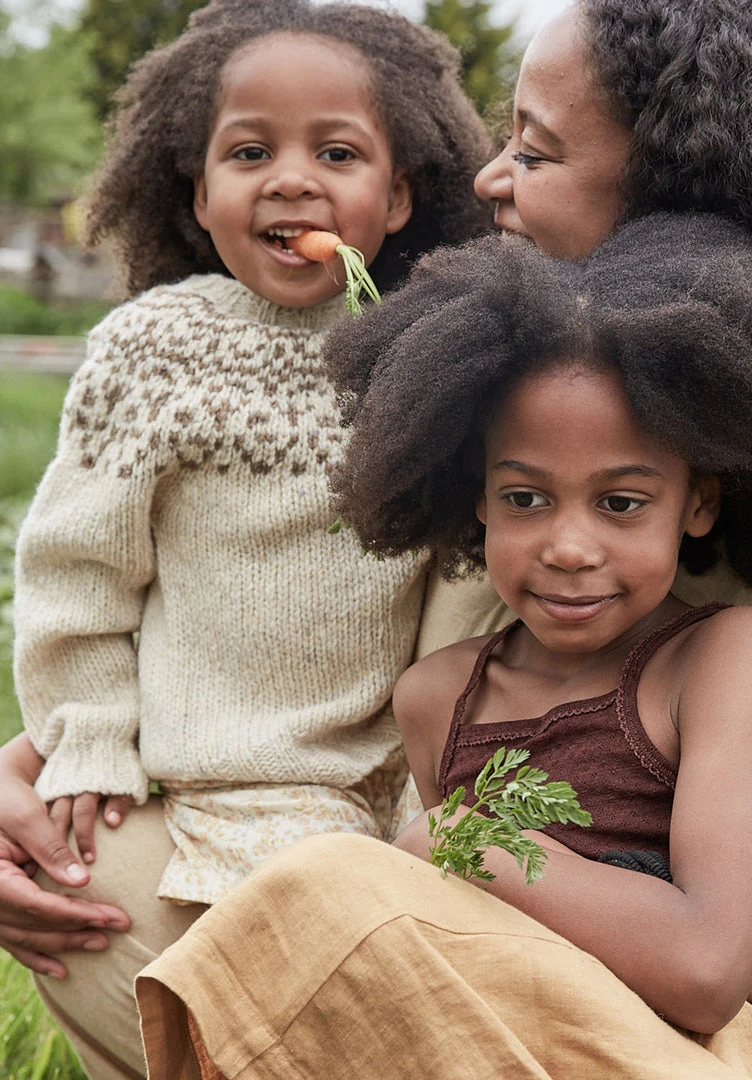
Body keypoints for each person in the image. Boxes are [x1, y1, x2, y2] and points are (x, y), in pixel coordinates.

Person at [0, 0, 752, 1077]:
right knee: (98, 876)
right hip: (464, 938)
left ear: (672, 195)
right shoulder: (490, 420)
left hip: (718, 1030)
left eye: (535, 152)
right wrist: (35, 773)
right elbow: (277, 668)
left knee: (317, 900)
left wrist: (498, 895)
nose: (489, 179)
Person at [138, 214, 752, 1079]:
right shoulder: (438, 700)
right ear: (478, 499)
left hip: (748, 1056)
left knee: (333, 885)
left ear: (699, 503)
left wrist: (463, 843)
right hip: (532, 1041)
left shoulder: (725, 661)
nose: (569, 547)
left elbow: (707, 968)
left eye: (621, 503)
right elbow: (473, 960)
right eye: (526, 499)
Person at [3, 0, 490, 1075]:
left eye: (338, 152)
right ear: (197, 189)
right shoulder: (155, 349)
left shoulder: (430, 359)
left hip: (358, 792)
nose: (292, 179)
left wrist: (429, 802)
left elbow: (451, 609)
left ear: (399, 194)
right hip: (183, 784)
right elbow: (78, 572)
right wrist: (86, 730)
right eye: (250, 151)